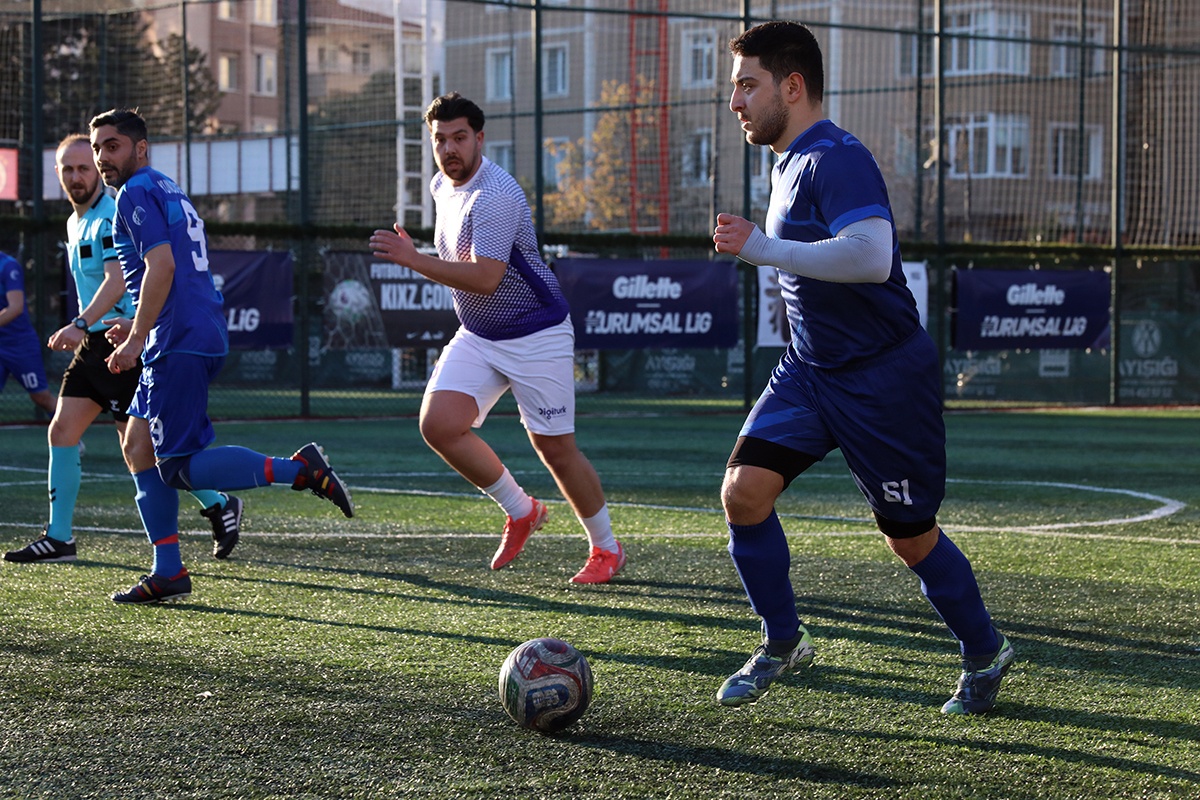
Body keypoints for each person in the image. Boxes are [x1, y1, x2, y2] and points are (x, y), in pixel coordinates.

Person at [711, 22, 1014, 714]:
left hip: (882, 378)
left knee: (909, 537)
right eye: (735, 87)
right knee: (744, 493)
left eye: (748, 85)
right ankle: (783, 642)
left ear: (792, 86)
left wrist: (761, 248)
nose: (735, 101)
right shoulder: (786, 161)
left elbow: (871, 257)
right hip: (810, 368)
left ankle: (984, 649)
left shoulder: (836, 157)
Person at [87, 107, 354, 604]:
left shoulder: (134, 191)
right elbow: (170, 271)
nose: (103, 156)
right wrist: (141, 322)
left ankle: (301, 470)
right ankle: (168, 570)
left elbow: (162, 267)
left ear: (140, 148)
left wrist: (137, 336)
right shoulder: (166, 187)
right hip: (187, 327)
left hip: (177, 337)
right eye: (97, 147)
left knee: (176, 467)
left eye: (112, 145)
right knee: (138, 446)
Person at [369, 92, 624, 584]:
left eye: (459, 137)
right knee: (439, 425)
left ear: (480, 138)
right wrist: (418, 258)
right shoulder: (441, 185)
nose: (449, 149)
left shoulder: (495, 195)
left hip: (536, 333)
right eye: (440, 140)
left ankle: (607, 548)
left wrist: (414, 259)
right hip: (479, 333)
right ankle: (522, 510)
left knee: (555, 449)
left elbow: (486, 277)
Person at [3, 134, 244, 565]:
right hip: (94, 344)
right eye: (68, 169)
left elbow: (117, 280)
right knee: (62, 431)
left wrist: (80, 323)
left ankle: (218, 504)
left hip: (122, 341)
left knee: (141, 450)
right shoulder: (75, 221)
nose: (77, 176)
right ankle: (59, 538)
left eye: (84, 168)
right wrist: (85, 329)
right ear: (57, 173)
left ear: (98, 172)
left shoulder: (114, 211)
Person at [0, 250, 57, 417]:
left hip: (19, 344)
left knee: (41, 397)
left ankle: (70, 431)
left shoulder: (8, 266)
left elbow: (15, 307)